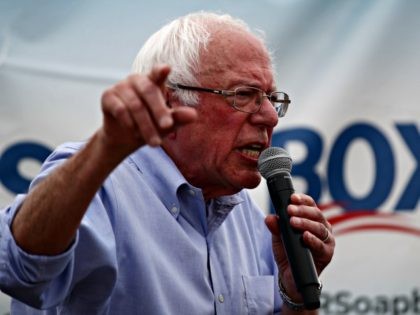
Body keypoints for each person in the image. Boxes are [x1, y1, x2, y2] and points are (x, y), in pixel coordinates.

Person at [0, 11, 334, 314]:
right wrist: (103, 149)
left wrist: (295, 296)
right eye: (244, 95)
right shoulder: (98, 183)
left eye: (271, 99)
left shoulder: (248, 215)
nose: (268, 117)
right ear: (168, 103)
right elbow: (16, 270)